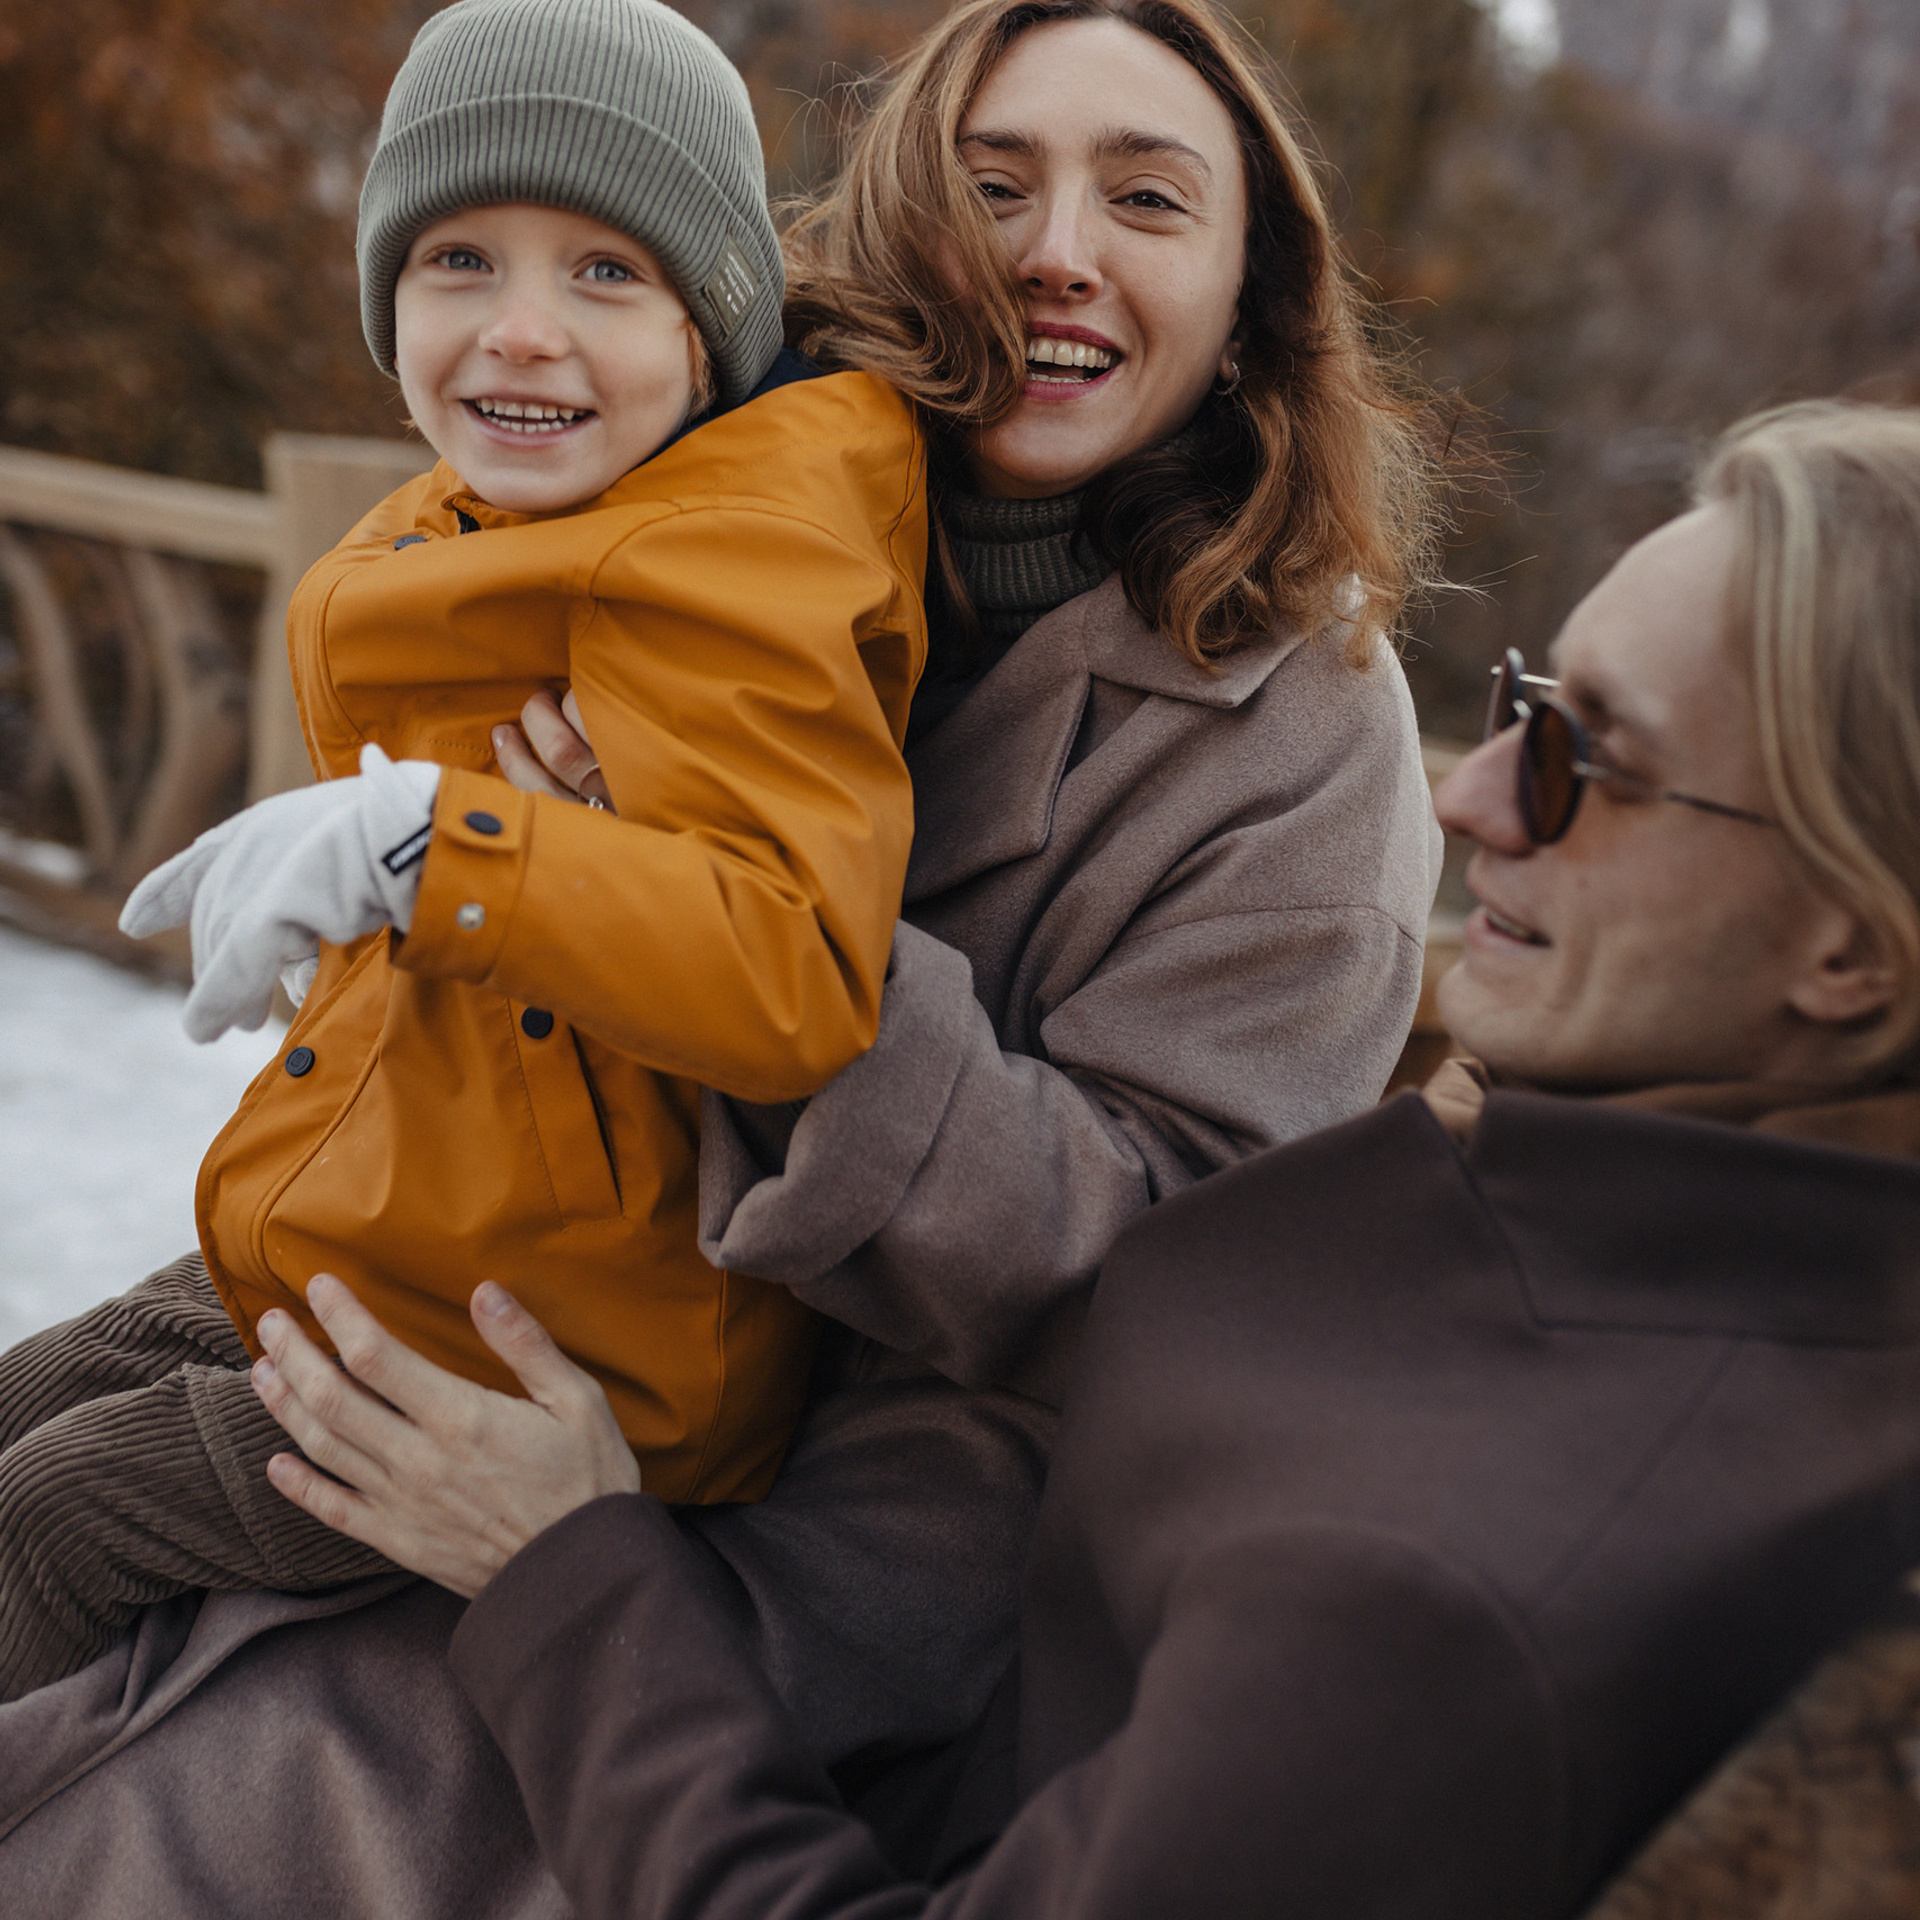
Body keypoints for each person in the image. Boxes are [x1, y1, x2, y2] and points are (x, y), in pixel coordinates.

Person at [0, 0, 1441, 1907]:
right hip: (517, 1243)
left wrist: (662, 910)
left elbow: (1167, 1273)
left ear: (1254, 289)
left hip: (841, 1488)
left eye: (1149, 199)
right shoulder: (731, 476)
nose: (1057, 250)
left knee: (192, 1782)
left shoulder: (1304, 735)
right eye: (996, 184)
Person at [241, 398, 1920, 1918]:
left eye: (1587, 762)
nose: (1476, 799)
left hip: (729, 1723)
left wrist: (574, 1572)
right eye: (1518, 706)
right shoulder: (1577, 1179)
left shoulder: (1470, 1600)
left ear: (1851, 945)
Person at [0, 0, 929, 1700]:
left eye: (605, 274)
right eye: (457, 260)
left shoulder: (735, 567)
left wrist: (434, 851)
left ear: (709, 325)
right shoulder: (489, 514)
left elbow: (792, 966)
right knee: (24, 1398)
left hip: (553, 1365)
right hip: (416, 1241)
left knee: (50, 1518)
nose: (521, 333)